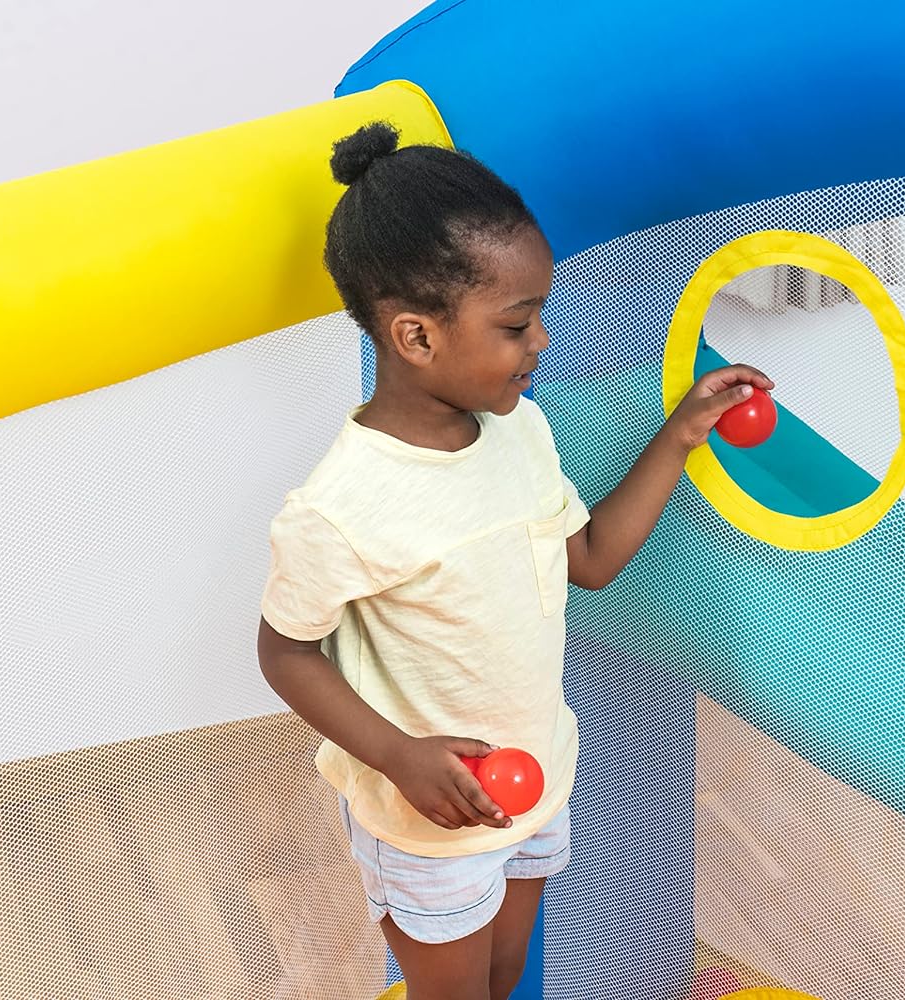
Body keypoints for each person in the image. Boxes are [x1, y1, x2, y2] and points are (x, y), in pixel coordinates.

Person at [257, 121, 772, 1000]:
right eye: (515, 323)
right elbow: (285, 652)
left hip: (536, 777)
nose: (541, 342)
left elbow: (591, 559)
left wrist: (679, 438)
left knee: (502, 976)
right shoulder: (340, 508)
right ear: (417, 337)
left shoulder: (520, 430)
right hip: (430, 818)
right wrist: (399, 756)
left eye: (540, 316)